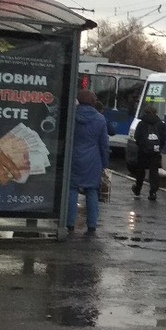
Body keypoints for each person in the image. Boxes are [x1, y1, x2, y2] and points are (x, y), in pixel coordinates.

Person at [67, 89, 110, 234]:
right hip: (93, 159)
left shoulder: (71, 115)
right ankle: (91, 225)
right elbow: (104, 144)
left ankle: (69, 223)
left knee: (72, 190)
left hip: (73, 156)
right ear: (93, 101)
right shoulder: (100, 119)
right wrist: (105, 163)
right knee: (92, 191)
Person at [131, 104, 166, 201]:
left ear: (145, 112)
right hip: (155, 151)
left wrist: (141, 145)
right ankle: (153, 192)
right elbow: (163, 138)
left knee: (141, 170)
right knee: (154, 171)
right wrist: (158, 147)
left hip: (143, 150)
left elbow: (136, 137)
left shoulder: (141, 123)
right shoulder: (160, 124)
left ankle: (138, 189)